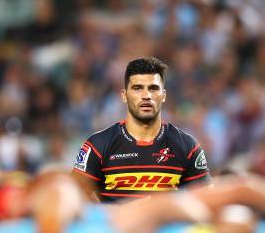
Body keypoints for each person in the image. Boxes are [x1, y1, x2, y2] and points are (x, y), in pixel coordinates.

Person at [71, 57, 211, 202]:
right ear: (124, 95)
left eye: (153, 88)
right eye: (137, 88)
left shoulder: (188, 146)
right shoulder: (97, 145)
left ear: (163, 95)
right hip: (117, 224)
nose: (146, 96)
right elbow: (73, 197)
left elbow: (206, 201)